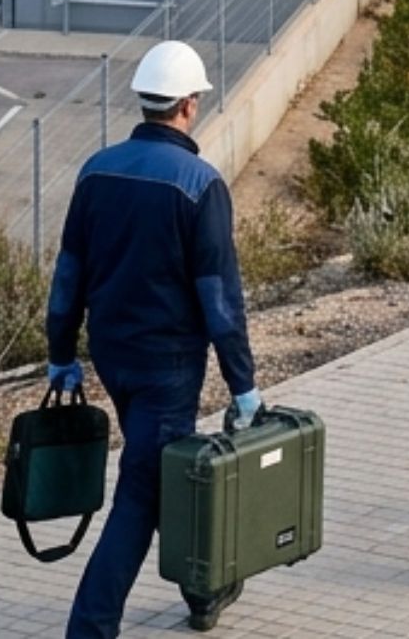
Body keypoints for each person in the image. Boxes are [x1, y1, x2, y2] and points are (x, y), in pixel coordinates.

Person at [46, 40, 261, 637]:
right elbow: (219, 299)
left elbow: (69, 273)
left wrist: (61, 352)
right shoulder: (200, 184)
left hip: (112, 356)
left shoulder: (97, 170)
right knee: (142, 490)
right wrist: (243, 384)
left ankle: (205, 590)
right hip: (168, 367)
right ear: (189, 105)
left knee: (161, 469)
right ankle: (90, 627)